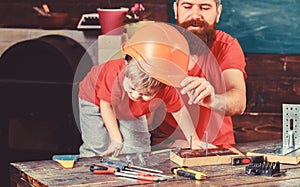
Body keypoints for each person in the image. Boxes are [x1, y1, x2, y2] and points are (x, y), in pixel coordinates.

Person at [78, 23, 214, 157]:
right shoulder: (113, 73)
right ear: (126, 66)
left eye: (146, 94)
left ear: (163, 86)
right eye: (132, 88)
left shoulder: (166, 87)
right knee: (98, 146)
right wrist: (116, 139)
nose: (136, 95)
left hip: (129, 108)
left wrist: (194, 140)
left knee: (139, 148)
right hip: (94, 100)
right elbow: (106, 105)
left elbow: (179, 111)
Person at [150, 0, 247, 149]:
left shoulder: (226, 46)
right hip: (167, 149)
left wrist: (213, 99)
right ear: (176, 10)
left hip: (216, 148)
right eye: (187, 6)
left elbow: (238, 102)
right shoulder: (155, 46)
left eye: (205, 7)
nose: (195, 15)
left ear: (218, 12)